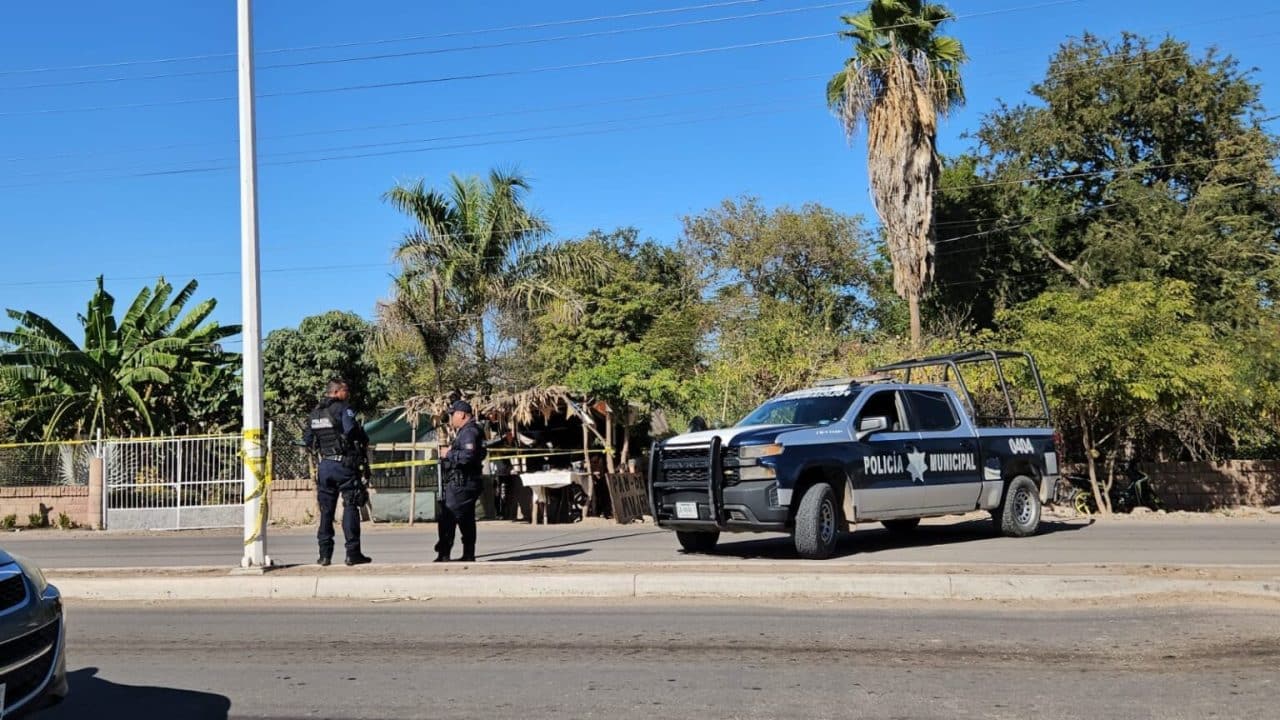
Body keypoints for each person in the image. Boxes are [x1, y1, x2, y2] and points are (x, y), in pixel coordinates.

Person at [302, 378, 373, 567]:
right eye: (345, 391)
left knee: (326, 512)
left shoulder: (315, 413)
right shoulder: (342, 409)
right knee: (351, 505)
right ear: (336, 392)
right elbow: (351, 431)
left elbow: (308, 440)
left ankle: (324, 555)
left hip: (324, 466)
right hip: (344, 464)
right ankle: (353, 553)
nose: (347, 394)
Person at [435, 399, 487, 562]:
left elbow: (468, 456)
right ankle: (468, 554)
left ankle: (444, 553)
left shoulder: (469, 432)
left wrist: (448, 454)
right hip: (466, 481)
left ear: (462, 415)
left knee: (448, 516)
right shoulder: (470, 430)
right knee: (466, 519)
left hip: (463, 482)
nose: (451, 418)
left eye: (453, 415)